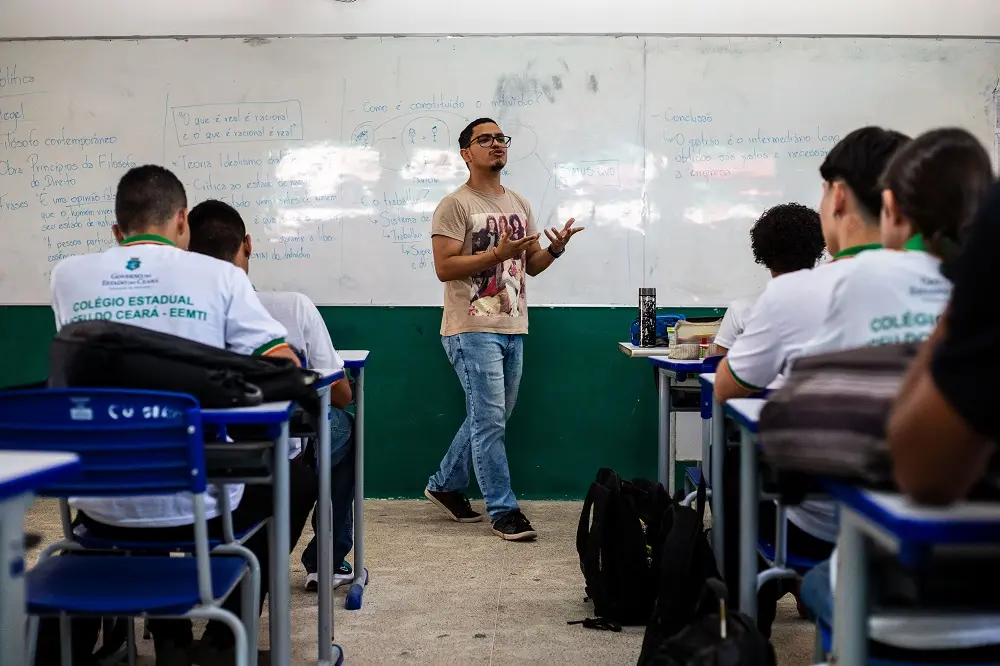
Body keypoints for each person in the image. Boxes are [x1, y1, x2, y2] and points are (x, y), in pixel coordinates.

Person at [45, 166, 317, 666]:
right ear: (182, 221)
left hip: (101, 505)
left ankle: (166, 632)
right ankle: (222, 641)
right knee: (292, 480)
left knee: (138, 454)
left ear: (116, 230)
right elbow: (285, 367)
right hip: (200, 508)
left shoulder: (68, 276)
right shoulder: (221, 277)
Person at [800, 128, 1000, 660]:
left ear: (891, 207)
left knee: (824, 580)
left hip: (907, 600)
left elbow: (921, 473)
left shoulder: (851, 281)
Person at [712, 126, 911, 635]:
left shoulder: (791, 295)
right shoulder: (953, 291)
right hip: (951, 537)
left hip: (834, 527)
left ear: (838, 196)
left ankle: (744, 627)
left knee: (736, 471)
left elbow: (725, 386)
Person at [186, 199, 357, 592]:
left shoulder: (178, 318)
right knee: (343, 426)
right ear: (247, 244)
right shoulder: (291, 308)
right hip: (273, 456)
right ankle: (327, 559)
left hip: (191, 454)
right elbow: (342, 395)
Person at [426, 117, 583, 541]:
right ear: (466, 153)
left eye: (500, 138)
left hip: (513, 322)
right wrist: (496, 252)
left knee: (492, 416)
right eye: (485, 139)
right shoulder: (455, 205)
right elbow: (444, 268)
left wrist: (555, 248)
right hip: (470, 326)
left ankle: (444, 483)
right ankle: (503, 509)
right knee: (490, 417)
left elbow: (529, 265)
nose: (496, 144)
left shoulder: (519, 203)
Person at [712, 203, 826, 354]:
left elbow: (718, 367)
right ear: (816, 250)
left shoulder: (742, 310)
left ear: (764, 254)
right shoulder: (837, 307)